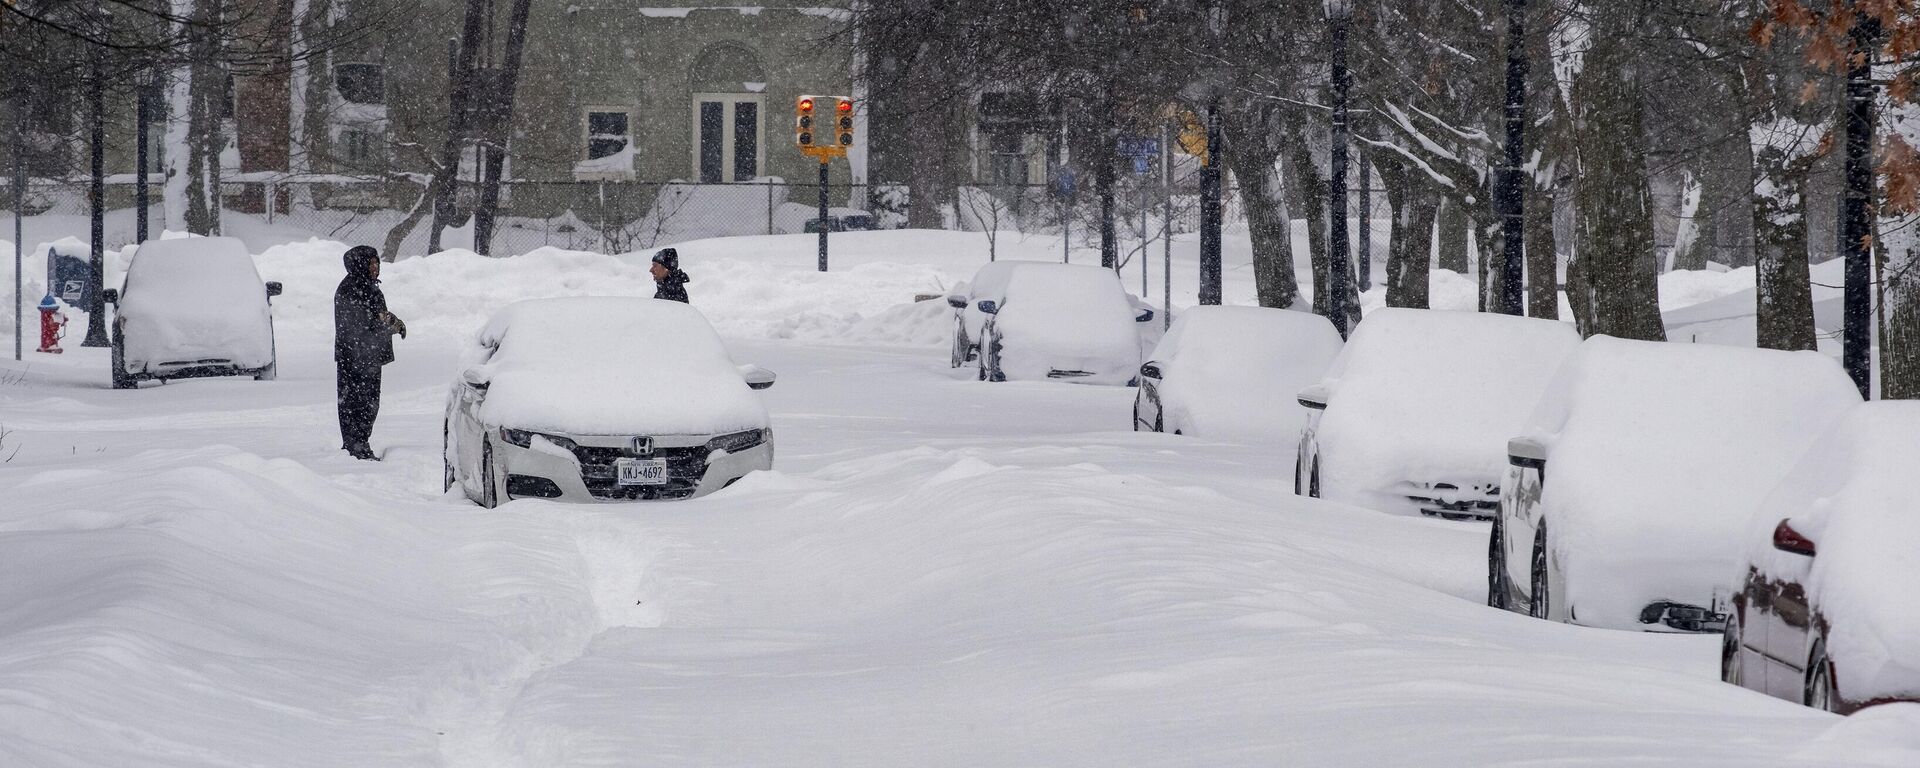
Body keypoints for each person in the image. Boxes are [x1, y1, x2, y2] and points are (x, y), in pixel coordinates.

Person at [334, 245, 406, 460]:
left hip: (367, 357)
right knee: (357, 403)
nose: (375, 267)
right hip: (356, 358)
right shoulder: (351, 289)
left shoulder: (366, 286)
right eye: (370, 263)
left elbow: (377, 315)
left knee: (368, 403)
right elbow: (361, 325)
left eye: (377, 263)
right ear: (360, 264)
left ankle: (360, 443)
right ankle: (356, 446)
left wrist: (392, 321)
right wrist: (389, 326)